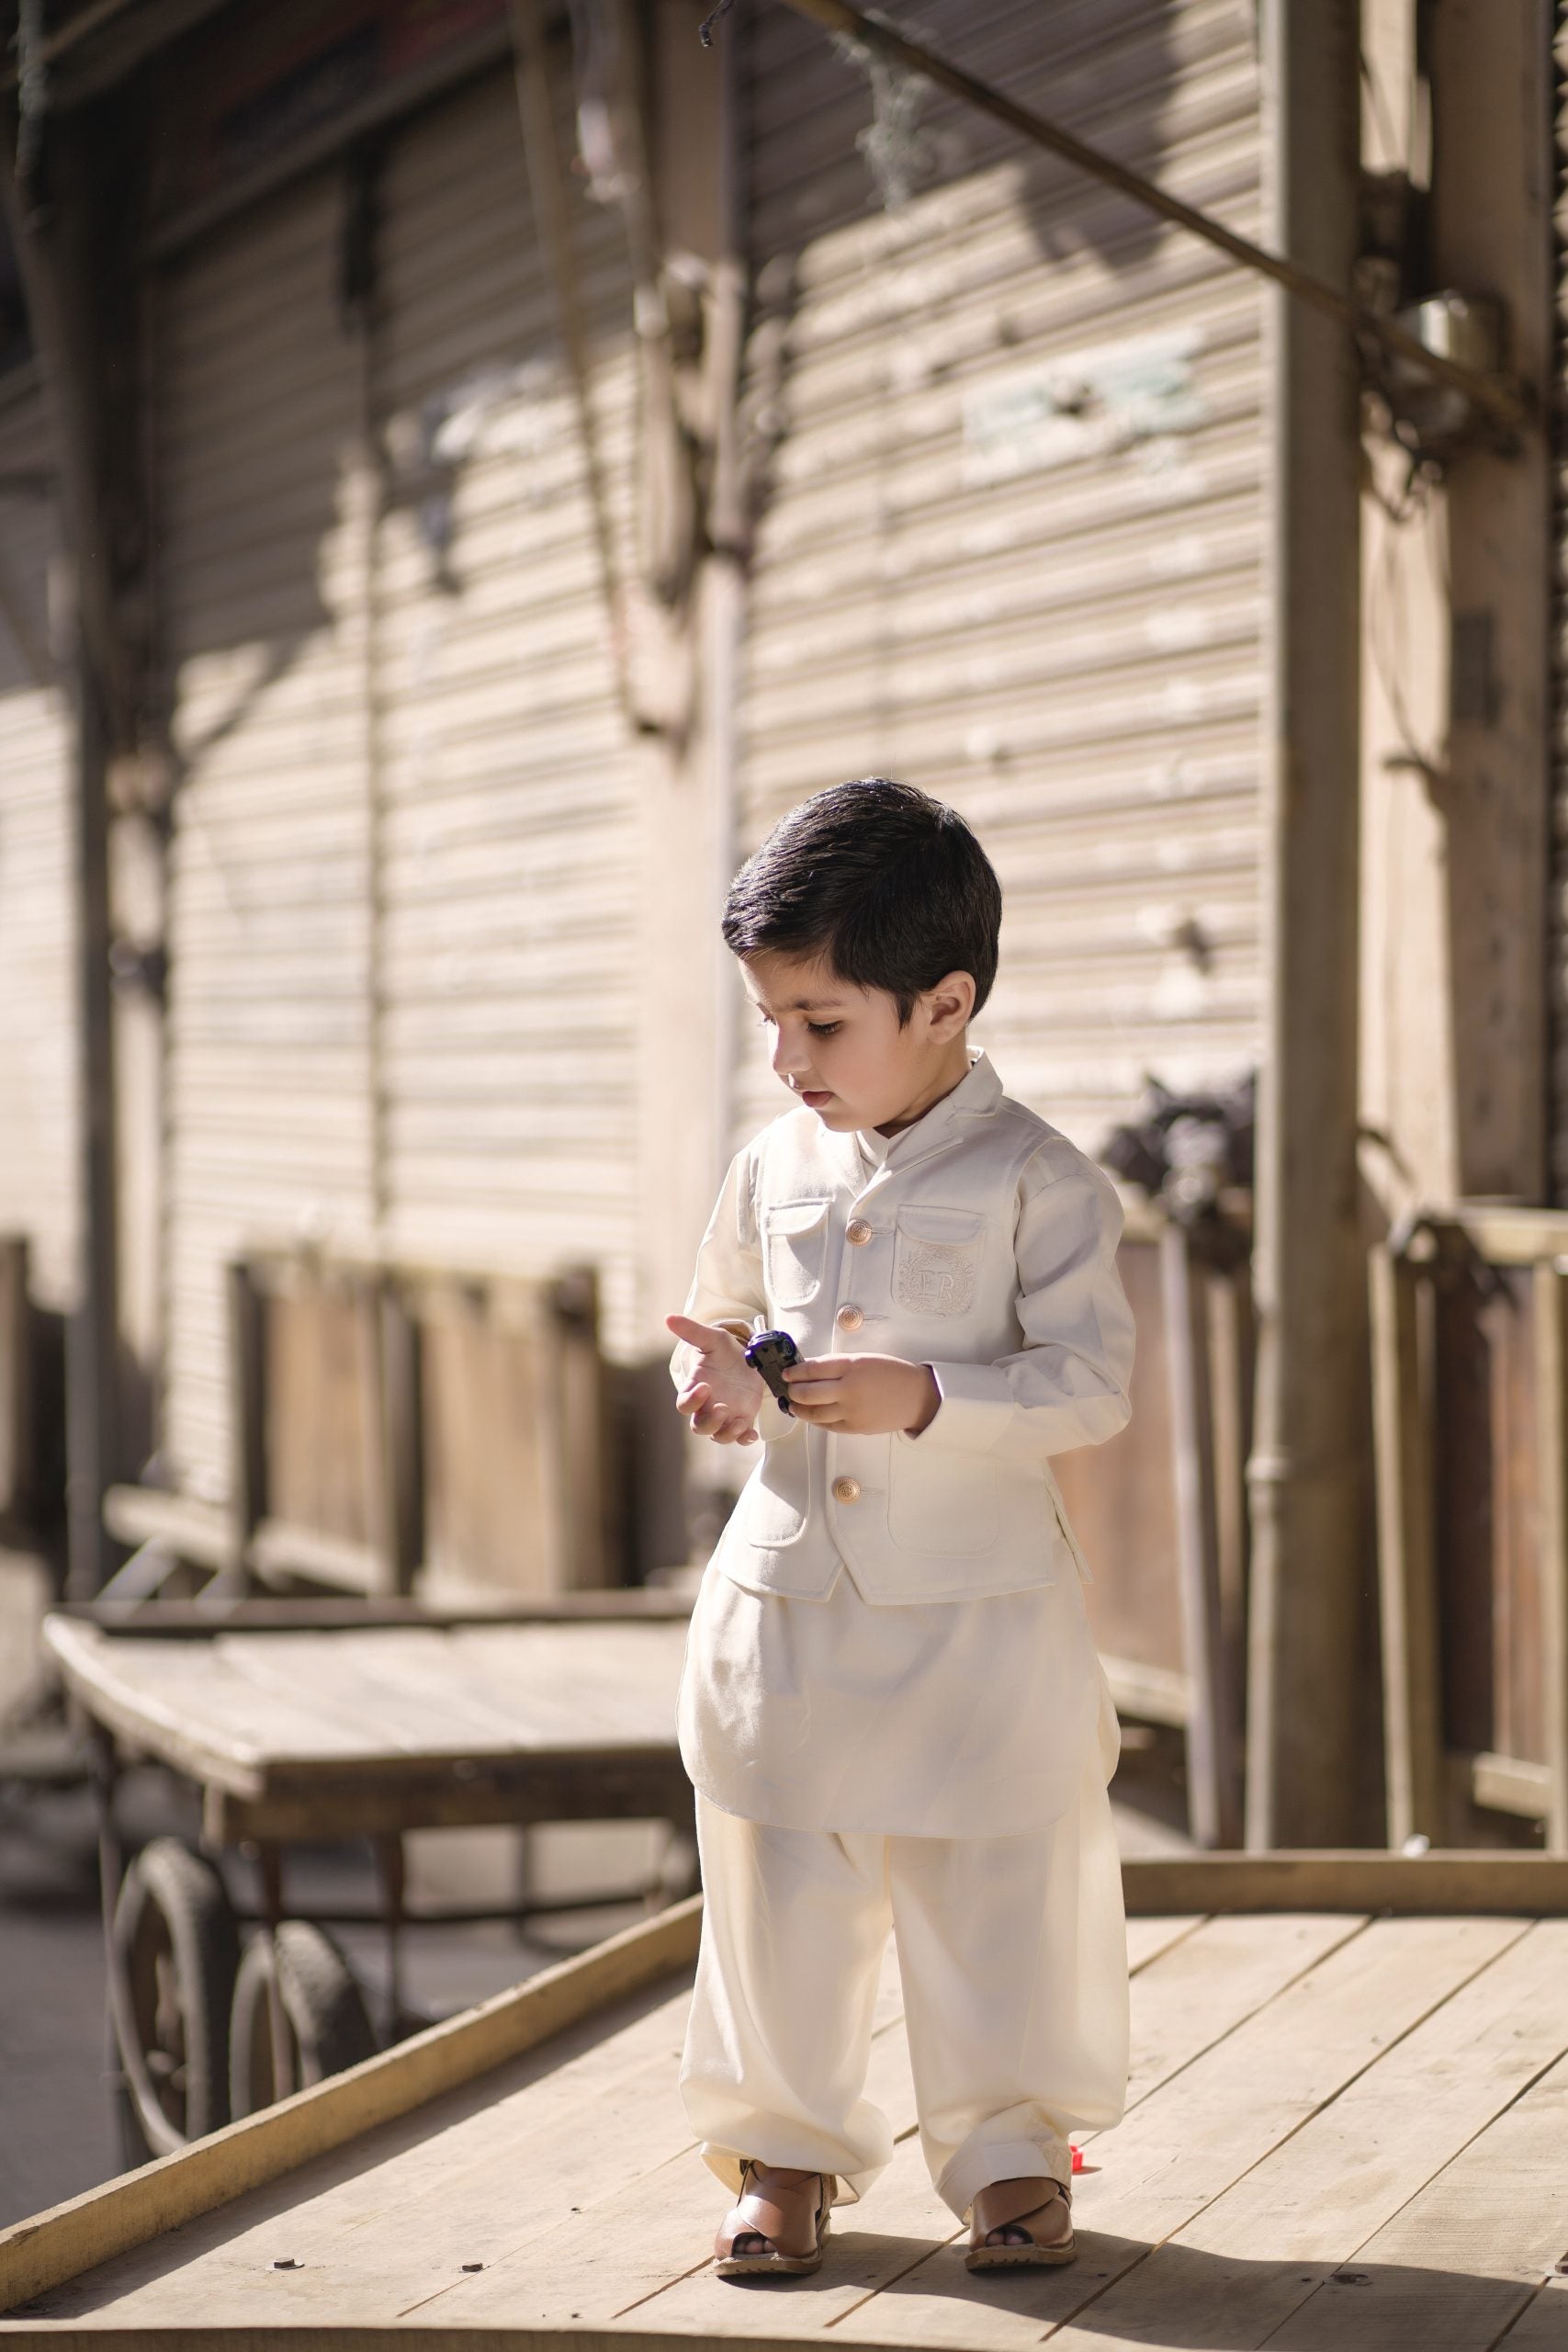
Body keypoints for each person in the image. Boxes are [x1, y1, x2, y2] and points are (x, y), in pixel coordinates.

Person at [667, 776, 1135, 2280]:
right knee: (780, 1883)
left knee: (995, 1883)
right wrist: (724, 1379)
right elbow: (723, 1315)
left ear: (945, 1003)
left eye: (820, 1021)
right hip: (791, 1608)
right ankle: (783, 2154)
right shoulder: (769, 1165)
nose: (786, 1059)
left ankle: (1010, 2155)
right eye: (771, 1021)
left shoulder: (1041, 1180)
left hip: (975, 1616)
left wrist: (930, 1398)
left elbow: (1092, 1386)